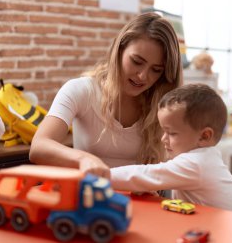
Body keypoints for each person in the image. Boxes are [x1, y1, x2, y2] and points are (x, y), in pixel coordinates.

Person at [29, 12, 182, 178]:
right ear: (119, 49)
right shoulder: (81, 90)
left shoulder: (162, 104)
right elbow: (38, 147)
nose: (143, 76)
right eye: (137, 62)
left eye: (156, 70)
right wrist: (84, 159)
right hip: (89, 196)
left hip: (141, 201)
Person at [110, 84, 232, 215]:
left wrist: (100, 175)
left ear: (204, 136)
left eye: (171, 133)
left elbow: (143, 174)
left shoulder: (196, 163)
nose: (163, 139)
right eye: (163, 131)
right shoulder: (206, 158)